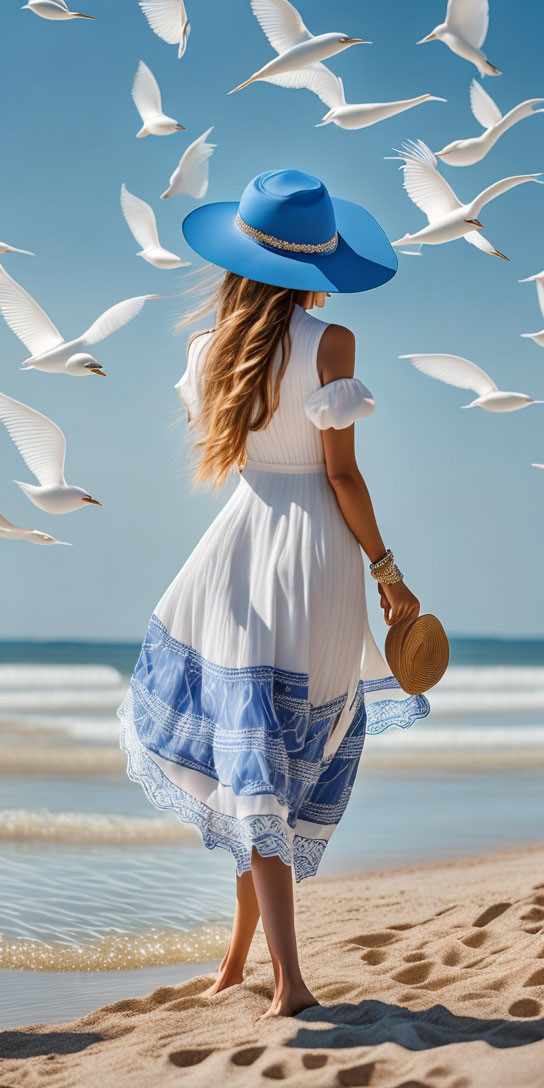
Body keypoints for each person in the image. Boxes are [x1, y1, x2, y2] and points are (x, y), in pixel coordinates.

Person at [118, 169, 430, 1019]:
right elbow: (342, 473)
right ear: (319, 260)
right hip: (316, 557)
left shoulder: (206, 349)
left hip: (239, 547)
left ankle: (240, 964)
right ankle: (285, 981)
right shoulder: (331, 344)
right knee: (270, 767)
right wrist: (387, 567)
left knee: (252, 757)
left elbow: (247, 447)